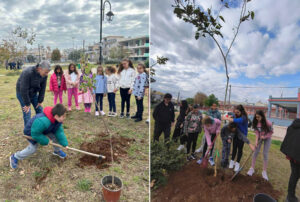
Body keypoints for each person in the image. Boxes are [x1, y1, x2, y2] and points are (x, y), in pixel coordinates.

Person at [10, 104, 68, 169]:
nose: (64, 118)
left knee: (55, 137)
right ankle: (15, 156)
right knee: (33, 149)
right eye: (63, 116)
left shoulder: (58, 121)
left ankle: (57, 151)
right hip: (31, 132)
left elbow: (59, 132)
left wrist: (64, 143)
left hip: (44, 129)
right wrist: (45, 140)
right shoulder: (44, 121)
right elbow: (35, 133)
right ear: (57, 116)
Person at [16, 60, 51, 126]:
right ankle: (27, 131)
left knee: (40, 110)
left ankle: (40, 126)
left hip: (33, 93)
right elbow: (23, 89)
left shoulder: (44, 76)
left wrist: (40, 100)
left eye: (48, 73)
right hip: (22, 93)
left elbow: (43, 88)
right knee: (27, 112)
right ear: (40, 69)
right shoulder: (27, 72)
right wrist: (27, 103)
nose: (47, 74)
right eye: (46, 72)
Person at [247, 110, 273, 181]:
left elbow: (271, 132)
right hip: (259, 137)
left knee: (265, 153)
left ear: (262, 116)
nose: (257, 119)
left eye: (258, 117)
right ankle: (252, 168)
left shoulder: (268, 123)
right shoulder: (256, 122)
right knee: (255, 152)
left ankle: (264, 171)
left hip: (267, 138)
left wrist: (264, 137)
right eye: (256, 117)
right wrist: (256, 141)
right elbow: (256, 132)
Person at [223, 105, 249, 172]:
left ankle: (237, 163)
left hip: (242, 135)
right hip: (236, 133)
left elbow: (238, 120)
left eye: (237, 112)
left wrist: (227, 118)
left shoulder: (244, 117)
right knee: (234, 147)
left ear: (241, 111)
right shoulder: (235, 115)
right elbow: (233, 117)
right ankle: (232, 161)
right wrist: (229, 116)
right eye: (235, 112)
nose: (236, 114)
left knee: (240, 149)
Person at [281, 119, 300, 202]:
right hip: (296, 156)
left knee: (295, 175)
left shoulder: (294, 124)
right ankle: (290, 197)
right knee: (295, 175)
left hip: (292, 154)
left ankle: (290, 196)